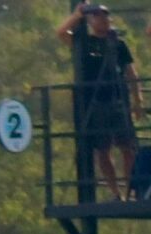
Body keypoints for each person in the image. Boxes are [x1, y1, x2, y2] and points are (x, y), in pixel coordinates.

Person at [57, 3, 145, 200]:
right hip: (96, 104)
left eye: (105, 16)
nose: (102, 20)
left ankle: (132, 190)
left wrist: (137, 100)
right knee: (103, 150)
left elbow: (131, 74)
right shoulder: (84, 43)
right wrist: (77, 15)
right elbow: (61, 33)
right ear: (90, 20)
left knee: (128, 147)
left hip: (118, 101)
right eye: (97, 16)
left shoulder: (118, 44)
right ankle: (116, 192)